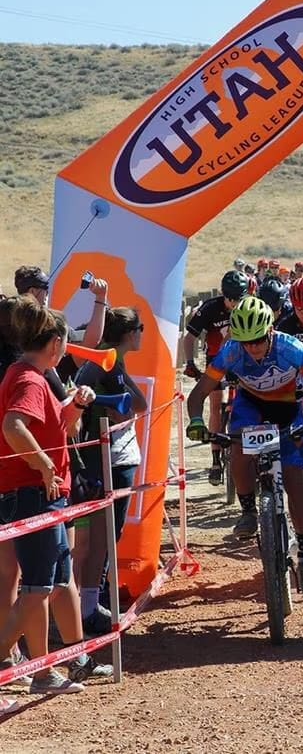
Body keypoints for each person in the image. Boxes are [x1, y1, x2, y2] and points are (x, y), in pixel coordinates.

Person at [0, 298, 111, 697]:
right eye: (66, 343)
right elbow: (14, 426)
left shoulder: (33, 374)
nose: (67, 350)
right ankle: (21, 667)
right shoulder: (30, 379)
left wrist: (74, 407)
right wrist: (46, 467)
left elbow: (54, 428)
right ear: (54, 345)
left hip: (40, 494)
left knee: (59, 580)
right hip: (33, 494)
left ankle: (69, 660)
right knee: (39, 588)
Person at [187, 297, 303, 591]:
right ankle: (248, 512)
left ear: (270, 331)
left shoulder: (291, 349)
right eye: (246, 342)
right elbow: (198, 395)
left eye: (258, 340)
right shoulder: (231, 353)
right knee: (239, 450)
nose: (253, 348)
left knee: (295, 481)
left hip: (287, 409)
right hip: (251, 406)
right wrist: (196, 421)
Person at [72, 308, 148, 636]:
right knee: (100, 537)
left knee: (105, 536)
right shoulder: (104, 362)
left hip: (111, 458)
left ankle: (91, 601)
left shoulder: (113, 359)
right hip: (107, 459)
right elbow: (126, 410)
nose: (143, 334)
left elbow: (139, 403)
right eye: (140, 328)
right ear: (130, 334)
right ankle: (89, 605)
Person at [183, 270, 250, 484]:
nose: (234, 303)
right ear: (224, 295)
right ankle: (215, 460)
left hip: (242, 360)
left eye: (238, 299)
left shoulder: (251, 306)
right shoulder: (210, 308)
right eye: (231, 299)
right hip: (216, 361)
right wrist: (191, 363)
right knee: (215, 406)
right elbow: (189, 336)